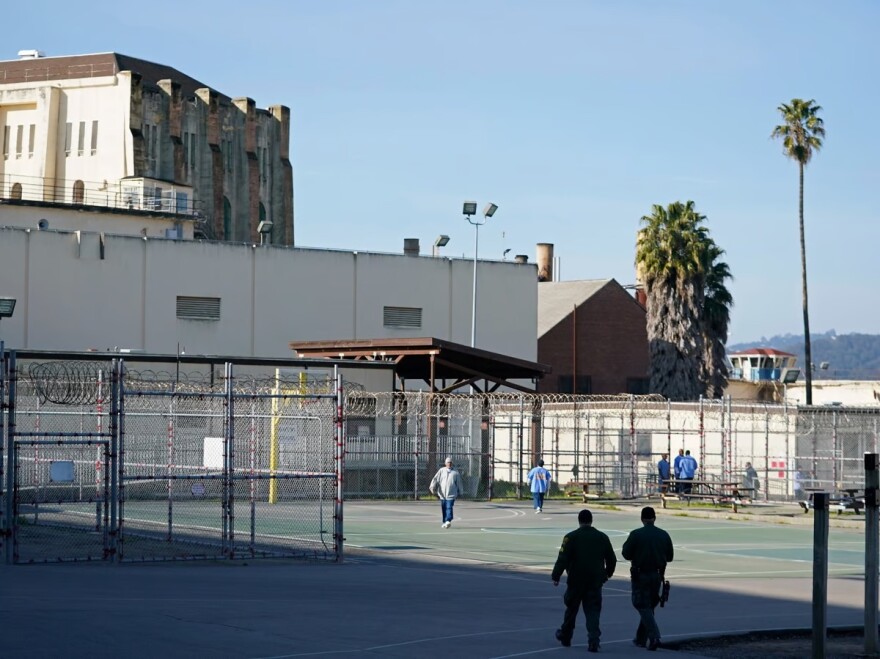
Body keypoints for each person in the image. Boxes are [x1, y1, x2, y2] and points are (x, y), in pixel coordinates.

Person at [551, 509, 617, 653]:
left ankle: (566, 636)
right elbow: (611, 559)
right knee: (593, 610)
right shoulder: (602, 537)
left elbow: (562, 559)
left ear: (579, 521)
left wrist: (556, 576)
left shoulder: (571, 537)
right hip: (594, 580)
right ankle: (593, 639)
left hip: (576, 579)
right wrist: (607, 574)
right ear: (591, 520)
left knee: (571, 609)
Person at [622, 506, 674, 651]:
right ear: (654, 518)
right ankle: (640, 638)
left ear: (642, 519)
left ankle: (654, 636)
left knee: (641, 604)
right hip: (657, 575)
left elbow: (626, 554)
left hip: (641, 574)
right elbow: (669, 557)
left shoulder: (636, 534)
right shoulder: (663, 534)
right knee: (650, 605)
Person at [429, 457, 465, 529]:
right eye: (448, 462)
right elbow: (435, 479)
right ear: (445, 463)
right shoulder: (441, 471)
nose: (449, 464)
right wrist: (432, 487)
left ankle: (448, 520)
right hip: (442, 495)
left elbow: (459, 483)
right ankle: (445, 522)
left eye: (450, 462)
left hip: (451, 494)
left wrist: (461, 491)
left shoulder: (455, 472)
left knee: (449, 507)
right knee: (444, 508)